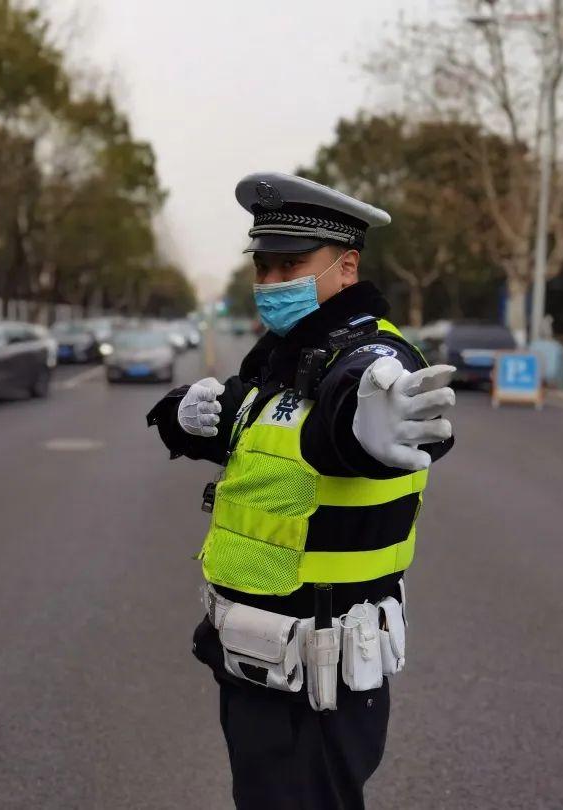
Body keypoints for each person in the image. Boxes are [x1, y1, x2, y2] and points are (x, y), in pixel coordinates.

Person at [147, 173, 458, 810]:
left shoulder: (369, 356)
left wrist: (364, 430)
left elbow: (365, 408)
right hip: (256, 661)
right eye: (263, 267)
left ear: (346, 268)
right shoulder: (283, 360)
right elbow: (246, 424)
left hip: (321, 675)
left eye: (291, 263)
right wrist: (181, 415)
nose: (271, 282)